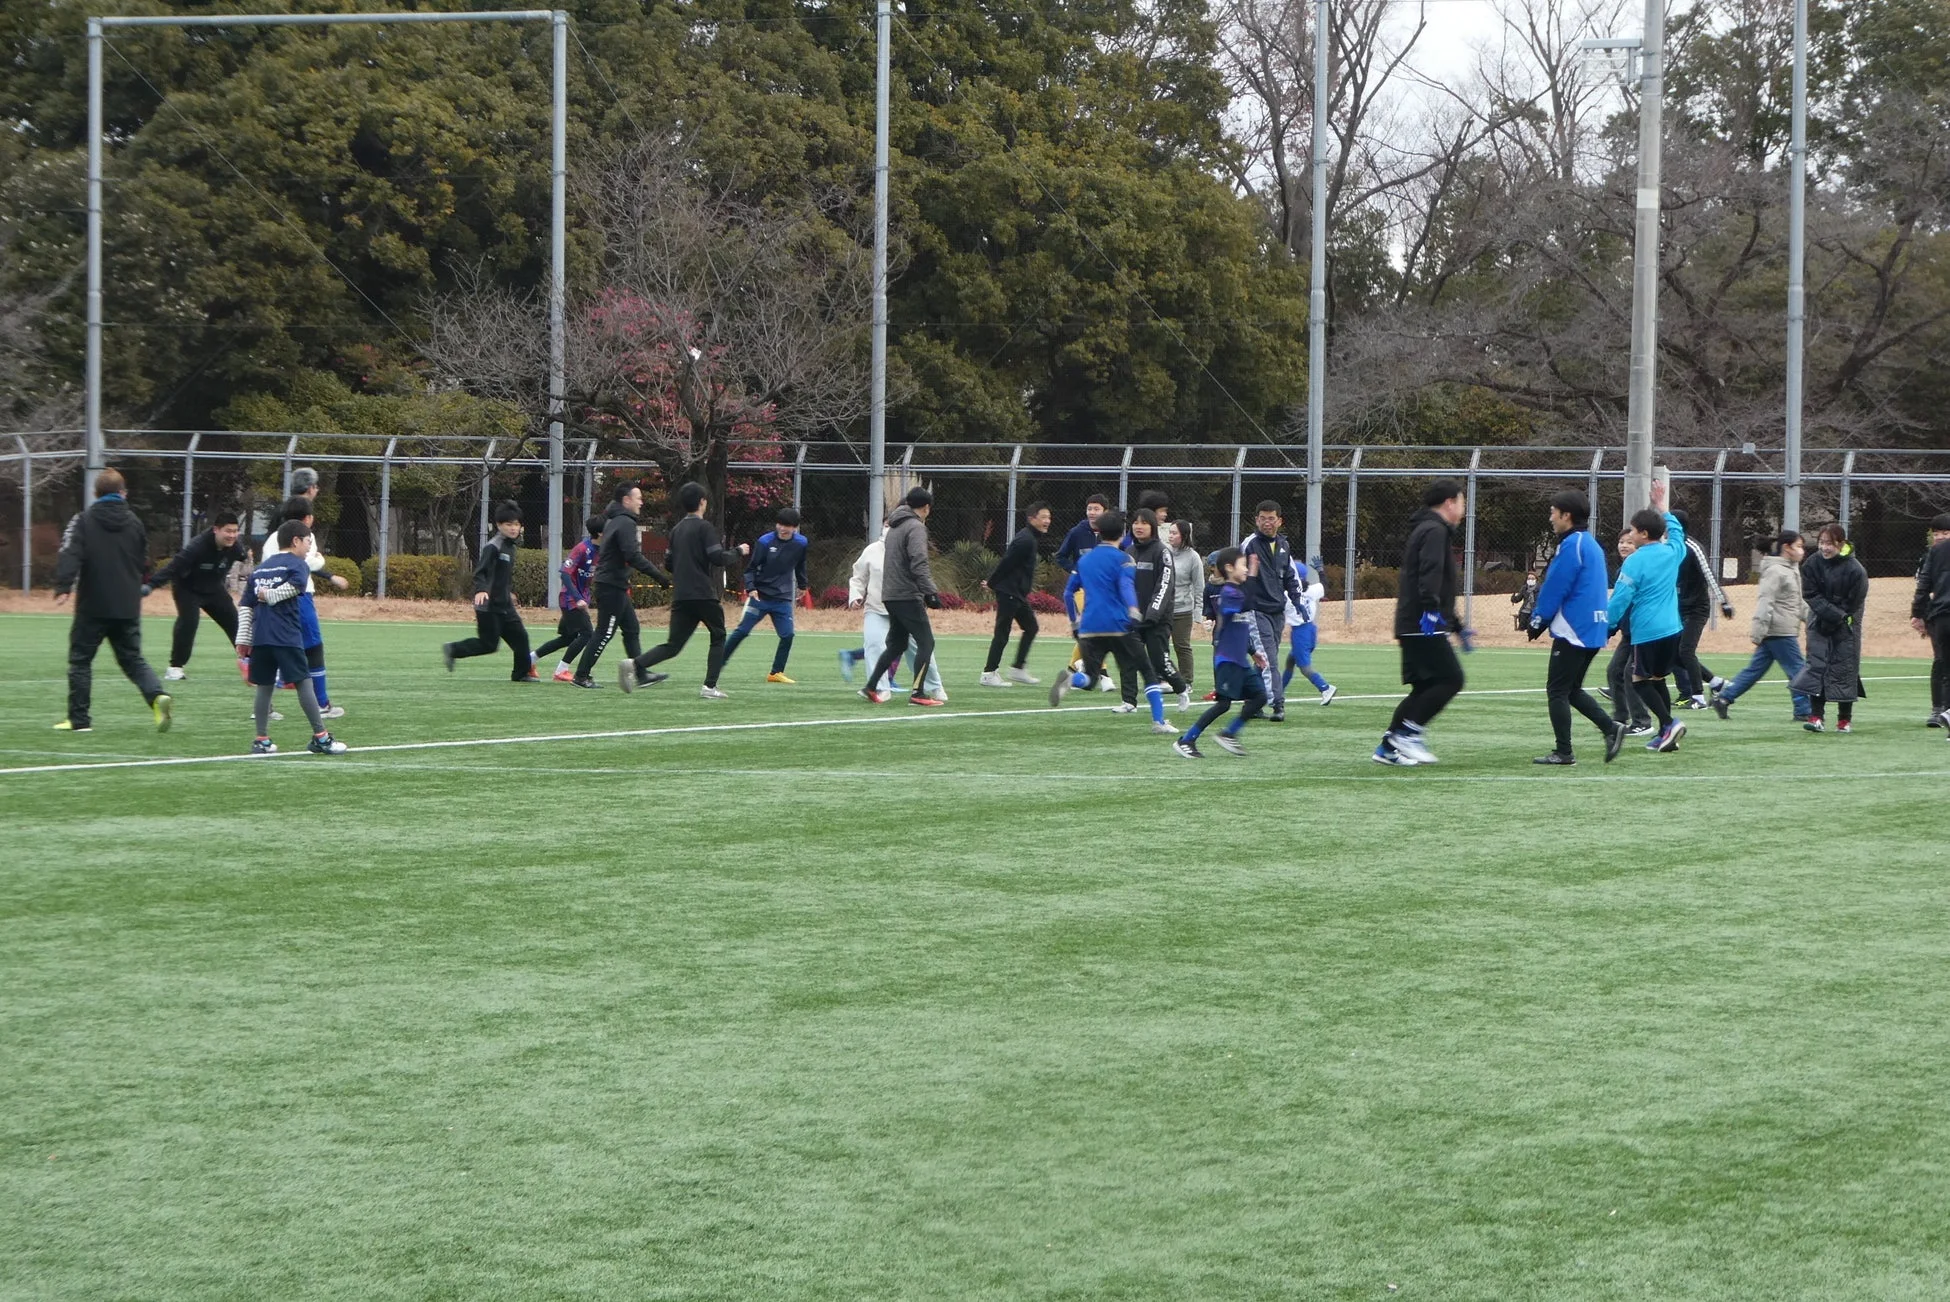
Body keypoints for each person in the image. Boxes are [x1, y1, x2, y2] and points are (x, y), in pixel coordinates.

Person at [52, 468, 171, 733]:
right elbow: (143, 560)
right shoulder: (135, 523)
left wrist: (63, 586)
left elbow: (70, 553)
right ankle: (156, 695)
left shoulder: (83, 520)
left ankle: (79, 719)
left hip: (93, 603)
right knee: (132, 659)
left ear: (95, 493)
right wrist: (140, 583)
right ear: (123, 493)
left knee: (81, 660)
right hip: (127, 604)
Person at [1051, 510, 1176, 734]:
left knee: (1090, 679)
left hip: (1089, 628)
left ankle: (1071, 678)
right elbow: (1126, 587)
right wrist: (1133, 609)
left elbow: (1069, 593)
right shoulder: (1124, 559)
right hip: (1118, 626)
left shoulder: (1084, 560)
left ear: (1098, 531)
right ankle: (1159, 721)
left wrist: (1074, 621)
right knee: (1147, 672)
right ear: (1122, 533)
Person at [1374, 480, 1471, 766]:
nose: (1463, 510)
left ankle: (1387, 748)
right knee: (1452, 679)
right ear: (1450, 503)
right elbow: (1429, 575)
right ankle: (1406, 734)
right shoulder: (1434, 530)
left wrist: (1456, 625)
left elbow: (1438, 584)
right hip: (1421, 623)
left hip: (1417, 621)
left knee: (1424, 687)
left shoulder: (1430, 529)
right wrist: (1430, 612)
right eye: (1462, 502)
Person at [1525, 490, 1626, 766]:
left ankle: (1564, 751)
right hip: (1592, 628)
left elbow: (1557, 585)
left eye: (1553, 512)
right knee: (1570, 689)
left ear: (1566, 515)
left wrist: (1538, 619)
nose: (1551, 518)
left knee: (1557, 690)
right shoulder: (1590, 543)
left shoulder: (1572, 545)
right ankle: (1611, 728)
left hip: (1575, 629)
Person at [626, 481, 748, 699]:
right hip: (703, 594)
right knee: (718, 636)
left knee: (673, 644)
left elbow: (670, 563)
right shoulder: (705, 528)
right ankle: (709, 687)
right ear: (702, 502)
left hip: (682, 595)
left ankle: (635, 664)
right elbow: (717, 557)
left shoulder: (676, 530)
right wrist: (738, 551)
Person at [237, 520, 346, 755]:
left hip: (261, 638)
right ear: (296, 541)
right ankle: (322, 738)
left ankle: (261, 740)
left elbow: (245, 605)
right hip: (286, 635)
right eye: (308, 542)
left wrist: (243, 639)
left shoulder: (262, 568)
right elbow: (295, 587)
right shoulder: (298, 564)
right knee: (304, 682)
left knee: (264, 687)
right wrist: (272, 595)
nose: (310, 548)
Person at [1604, 491, 1688, 754]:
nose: (1629, 536)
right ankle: (1666, 735)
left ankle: (1668, 723)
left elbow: (1620, 598)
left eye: (1632, 531)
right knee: (1658, 679)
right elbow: (1677, 533)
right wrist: (1663, 507)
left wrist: (1607, 625)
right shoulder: (1673, 552)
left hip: (1648, 630)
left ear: (1641, 534)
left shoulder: (1634, 561)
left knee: (1638, 679)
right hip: (1673, 628)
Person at [572, 482, 672, 687]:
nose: (641, 502)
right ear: (626, 501)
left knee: (631, 629)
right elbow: (632, 555)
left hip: (614, 585)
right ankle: (581, 676)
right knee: (605, 632)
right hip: (611, 586)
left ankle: (641, 674)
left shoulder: (616, 521)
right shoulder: (625, 522)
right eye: (638, 498)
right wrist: (659, 576)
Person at [1172, 547, 1267, 758]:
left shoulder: (1237, 591)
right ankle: (1186, 740)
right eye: (1242, 565)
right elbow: (1248, 602)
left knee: (1260, 697)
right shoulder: (1229, 593)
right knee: (1223, 704)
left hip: (1240, 660)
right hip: (1227, 660)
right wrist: (1253, 573)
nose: (1245, 570)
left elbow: (1239, 626)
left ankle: (1229, 733)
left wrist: (1252, 651)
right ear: (1229, 568)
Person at [1711, 531, 1813, 722]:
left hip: (1780, 629)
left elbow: (1796, 602)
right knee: (1798, 670)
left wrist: (1813, 620)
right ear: (1786, 548)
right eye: (1799, 546)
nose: (1802, 551)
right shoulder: (1776, 571)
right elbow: (1765, 602)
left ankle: (1724, 698)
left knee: (1755, 670)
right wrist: (1759, 629)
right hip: (1779, 630)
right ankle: (1803, 710)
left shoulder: (1791, 569)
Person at [860, 488, 948, 707]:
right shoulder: (916, 527)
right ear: (926, 508)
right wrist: (930, 592)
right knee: (926, 642)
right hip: (907, 595)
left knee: (897, 644)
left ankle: (871, 686)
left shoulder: (893, 527)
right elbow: (919, 563)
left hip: (889, 595)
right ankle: (918, 693)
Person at [841, 517, 945, 699]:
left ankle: (934, 686)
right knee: (874, 645)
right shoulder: (872, 551)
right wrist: (856, 596)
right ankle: (880, 689)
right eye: (887, 524)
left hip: (905, 607)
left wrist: (928, 595)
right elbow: (858, 576)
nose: (890, 528)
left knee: (919, 647)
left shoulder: (910, 548)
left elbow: (920, 572)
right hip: (877, 608)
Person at [441, 502, 536, 682]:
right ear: (499, 525)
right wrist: (481, 590)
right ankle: (453, 649)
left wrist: (509, 592)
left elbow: (501, 575)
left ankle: (520, 674)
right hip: (489, 606)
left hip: (505, 605)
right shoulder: (494, 546)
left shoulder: (511, 546)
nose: (513, 528)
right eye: (509, 524)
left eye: (516, 524)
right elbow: (481, 572)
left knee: (521, 638)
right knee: (489, 645)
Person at [148, 509, 248, 678]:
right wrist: (151, 584)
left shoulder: (236, 547)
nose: (232, 535)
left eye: (235, 531)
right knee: (189, 622)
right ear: (216, 530)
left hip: (213, 588)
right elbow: (174, 566)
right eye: (228, 531)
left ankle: (250, 662)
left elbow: (246, 561)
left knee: (235, 622)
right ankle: (175, 668)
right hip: (187, 587)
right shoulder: (197, 546)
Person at [1792, 523, 1870, 733]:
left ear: (1841, 543)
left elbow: (1855, 601)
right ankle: (1816, 716)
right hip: (1818, 623)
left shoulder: (1856, 570)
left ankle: (1844, 720)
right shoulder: (1812, 564)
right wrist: (1826, 615)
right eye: (1822, 543)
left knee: (1845, 669)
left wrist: (1838, 617)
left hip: (1847, 625)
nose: (1825, 548)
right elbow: (1810, 594)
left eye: (1830, 543)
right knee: (1817, 666)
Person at [274, 494, 346, 719]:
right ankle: (321, 703)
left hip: (274, 601)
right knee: (313, 647)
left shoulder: (273, 538)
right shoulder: (303, 537)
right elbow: (308, 562)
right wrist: (323, 564)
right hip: (299, 596)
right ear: (307, 519)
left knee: (278, 647)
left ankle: (264, 707)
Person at [720, 507, 810, 683]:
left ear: (795, 528)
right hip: (759, 597)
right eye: (780, 524)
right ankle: (718, 662)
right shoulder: (765, 542)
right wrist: (751, 587)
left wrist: (802, 584)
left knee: (788, 635)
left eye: (788, 526)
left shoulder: (801, 543)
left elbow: (801, 565)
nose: (783, 529)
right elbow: (751, 569)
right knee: (742, 631)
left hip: (782, 598)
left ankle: (776, 673)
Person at [1238, 501, 1308, 721]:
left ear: (1279, 521)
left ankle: (1251, 702)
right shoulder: (1249, 544)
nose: (1267, 523)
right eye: (1262, 518)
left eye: (1271, 518)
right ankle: (1278, 704)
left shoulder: (1283, 546)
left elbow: (1289, 576)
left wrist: (1297, 601)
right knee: (1269, 658)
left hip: (1277, 610)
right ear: (1256, 520)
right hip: (1256, 610)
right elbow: (1239, 576)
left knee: (1264, 658)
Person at [1128, 507, 1192, 710]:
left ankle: (1181, 689)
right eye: (1136, 522)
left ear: (1153, 527)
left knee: (1159, 660)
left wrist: (1152, 614)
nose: (1139, 527)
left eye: (1144, 523)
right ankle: (1128, 701)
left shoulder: (1162, 552)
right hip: (1134, 617)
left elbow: (1164, 585)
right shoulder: (1128, 552)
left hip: (1157, 619)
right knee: (1129, 658)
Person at [1672, 508, 1735, 708]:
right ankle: (1716, 682)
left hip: (1696, 608)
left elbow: (1708, 574)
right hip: (1677, 608)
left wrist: (1723, 601)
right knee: (1674, 653)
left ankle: (1698, 697)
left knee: (1686, 651)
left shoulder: (1692, 547)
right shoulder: (1669, 547)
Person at [979, 502, 1048, 687]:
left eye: (1048, 518)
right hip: (1009, 592)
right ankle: (988, 673)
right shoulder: (1025, 539)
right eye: (1043, 517)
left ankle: (1018, 668)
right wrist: (992, 583)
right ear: (1031, 518)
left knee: (1031, 627)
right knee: (1002, 633)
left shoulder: (1031, 538)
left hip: (1017, 594)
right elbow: (1006, 562)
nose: (1047, 521)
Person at [536, 514, 603, 682]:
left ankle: (529, 659)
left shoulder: (601, 550)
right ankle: (561, 670)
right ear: (601, 533)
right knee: (587, 633)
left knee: (567, 638)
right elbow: (565, 574)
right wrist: (578, 598)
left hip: (579, 599)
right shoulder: (582, 549)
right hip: (569, 599)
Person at [1604, 532, 1655, 737]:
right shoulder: (1622, 569)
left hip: (1641, 632)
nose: (1623, 546)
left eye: (1629, 543)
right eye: (1621, 541)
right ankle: (1620, 718)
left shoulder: (1639, 569)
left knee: (1630, 674)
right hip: (1629, 633)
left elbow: (1626, 601)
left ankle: (1642, 721)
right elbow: (1620, 603)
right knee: (1614, 671)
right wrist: (1612, 627)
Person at [1909, 513, 1950, 728]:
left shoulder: (1935, 554)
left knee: (1943, 662)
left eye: (1945, 532)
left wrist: (1918, 612)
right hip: (1938, 614)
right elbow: (1923, 586)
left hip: (1941, 613)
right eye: (1937, 533)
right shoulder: (1930, 555)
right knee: (1941, 661)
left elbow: (1924, 586)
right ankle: (1939, 709)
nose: (1941, 537)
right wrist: (1920, 614)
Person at [1280, 554, 1336, 706]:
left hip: (1300, 632)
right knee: (1290, 661)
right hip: (1311, 630)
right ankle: (1278, 691)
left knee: (1304, 667)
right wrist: (1321, 570)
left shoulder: (1286, 594)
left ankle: (1325, 687)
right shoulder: (1312, 590)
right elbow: (1325, 584)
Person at [1165, 521, 1203, 689]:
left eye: (1174, 533)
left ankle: (1186, 681)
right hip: (1163, 608)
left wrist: (1198, 613)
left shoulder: (1193, 557)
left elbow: (1198, 586)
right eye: (1170, 532)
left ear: (1184, 536)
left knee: (1181, 646)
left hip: (1183, 609)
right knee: (1159, 646)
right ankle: (1165, 678)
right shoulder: (1164, 552)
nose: (1170, 536)